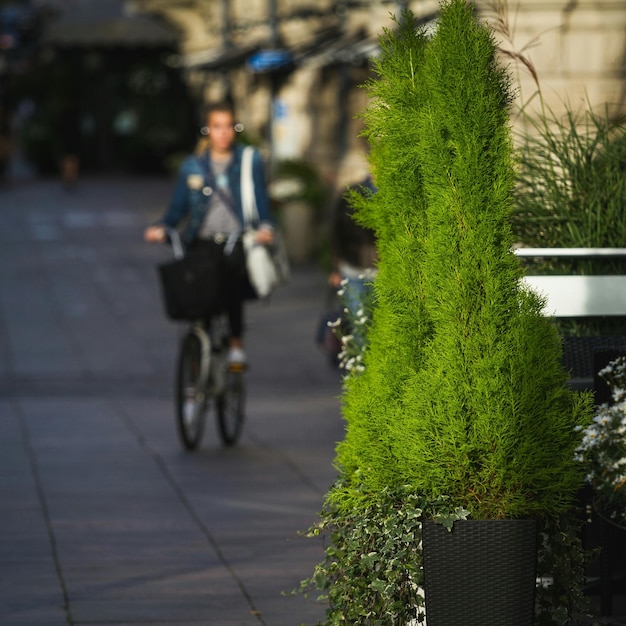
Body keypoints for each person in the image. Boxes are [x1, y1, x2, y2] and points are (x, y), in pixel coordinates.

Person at [144, 101, 273, 366]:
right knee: (195, 291)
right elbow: (178, 207)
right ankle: (197, 360)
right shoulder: (192, 166)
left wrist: (264, 228)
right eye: (217, 126)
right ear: (207, 130)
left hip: (236, 240)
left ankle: (236, 343)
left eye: (228, 126)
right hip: (201, 240)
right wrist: (162, 227)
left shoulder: (249, 161)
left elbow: (260, 201)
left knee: (232, 284)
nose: (223, 132)